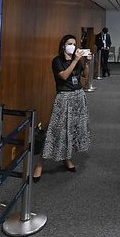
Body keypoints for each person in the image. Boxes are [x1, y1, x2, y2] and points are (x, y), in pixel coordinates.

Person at [33, 34, 91, 180]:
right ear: (63, 45)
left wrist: (86, 63)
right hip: (64, 97)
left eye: (74, 44)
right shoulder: (57, 60)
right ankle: (39, 164)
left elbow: (84, 76)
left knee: (72, 130)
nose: (73, 46)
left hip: (78, 96)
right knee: (55, 130)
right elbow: (64, 76)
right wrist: (76, 60)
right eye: (70, 43)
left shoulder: (76, 60)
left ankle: (67, 157)